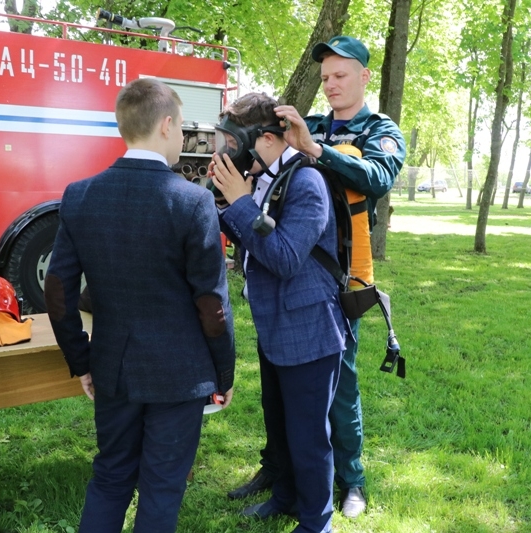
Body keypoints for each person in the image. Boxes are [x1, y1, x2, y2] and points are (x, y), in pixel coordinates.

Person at [44, 78, 236, 533]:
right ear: (166, 125)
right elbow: (211, 304)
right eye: (182, 126)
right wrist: (223, 372)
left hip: (113, 368)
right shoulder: (193, 201)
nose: (183, 135)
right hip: (180, 374)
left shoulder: (80, 194)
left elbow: (57, 290)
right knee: (162, 489)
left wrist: (81, 359)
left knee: (110, 477)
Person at [230, 35, 406, 518]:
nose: (330, 84)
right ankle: (279, 470)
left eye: (340, 75)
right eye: (325, 76)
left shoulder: (380, 130)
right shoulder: (312, 123)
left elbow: (377, 179)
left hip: (344, 278)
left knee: (339, 386)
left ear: (364, 77)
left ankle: (351, 479)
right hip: (293, 269)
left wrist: (315, 149)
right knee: (282, 389)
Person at [210, 92, 348, 533]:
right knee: (282, 426)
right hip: (276, 326)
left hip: (308, 332)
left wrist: (240, 202)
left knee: (308, 437)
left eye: (234, 143)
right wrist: (226, 203)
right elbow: (253, 239)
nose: (228, 151)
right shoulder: (267, 176)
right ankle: (285, 497)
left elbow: (286, 258)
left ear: (267, 138)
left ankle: (316, 522)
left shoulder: (306, 182)